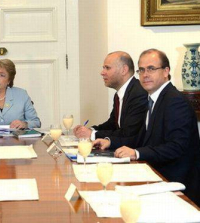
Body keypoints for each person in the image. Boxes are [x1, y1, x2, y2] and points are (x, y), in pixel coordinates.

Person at [93, 49, 200, 206]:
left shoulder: (174, 101)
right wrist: (110, 142)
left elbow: (176, 147)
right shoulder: (153, 99)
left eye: (151, 68)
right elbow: (141, 138)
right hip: (155, 176)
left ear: (166, 71)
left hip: (177, 185)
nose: (145, 74)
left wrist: (137, 153)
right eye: (141, 70)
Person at [73, 51, 147, 140]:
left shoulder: (139, 93)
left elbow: (129, 133)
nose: (102, 72)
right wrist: (90, 130)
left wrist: (93, 134)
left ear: (124, 70)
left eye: (107, 68)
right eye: (103, 68)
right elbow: (112, 124)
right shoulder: (119, 95)